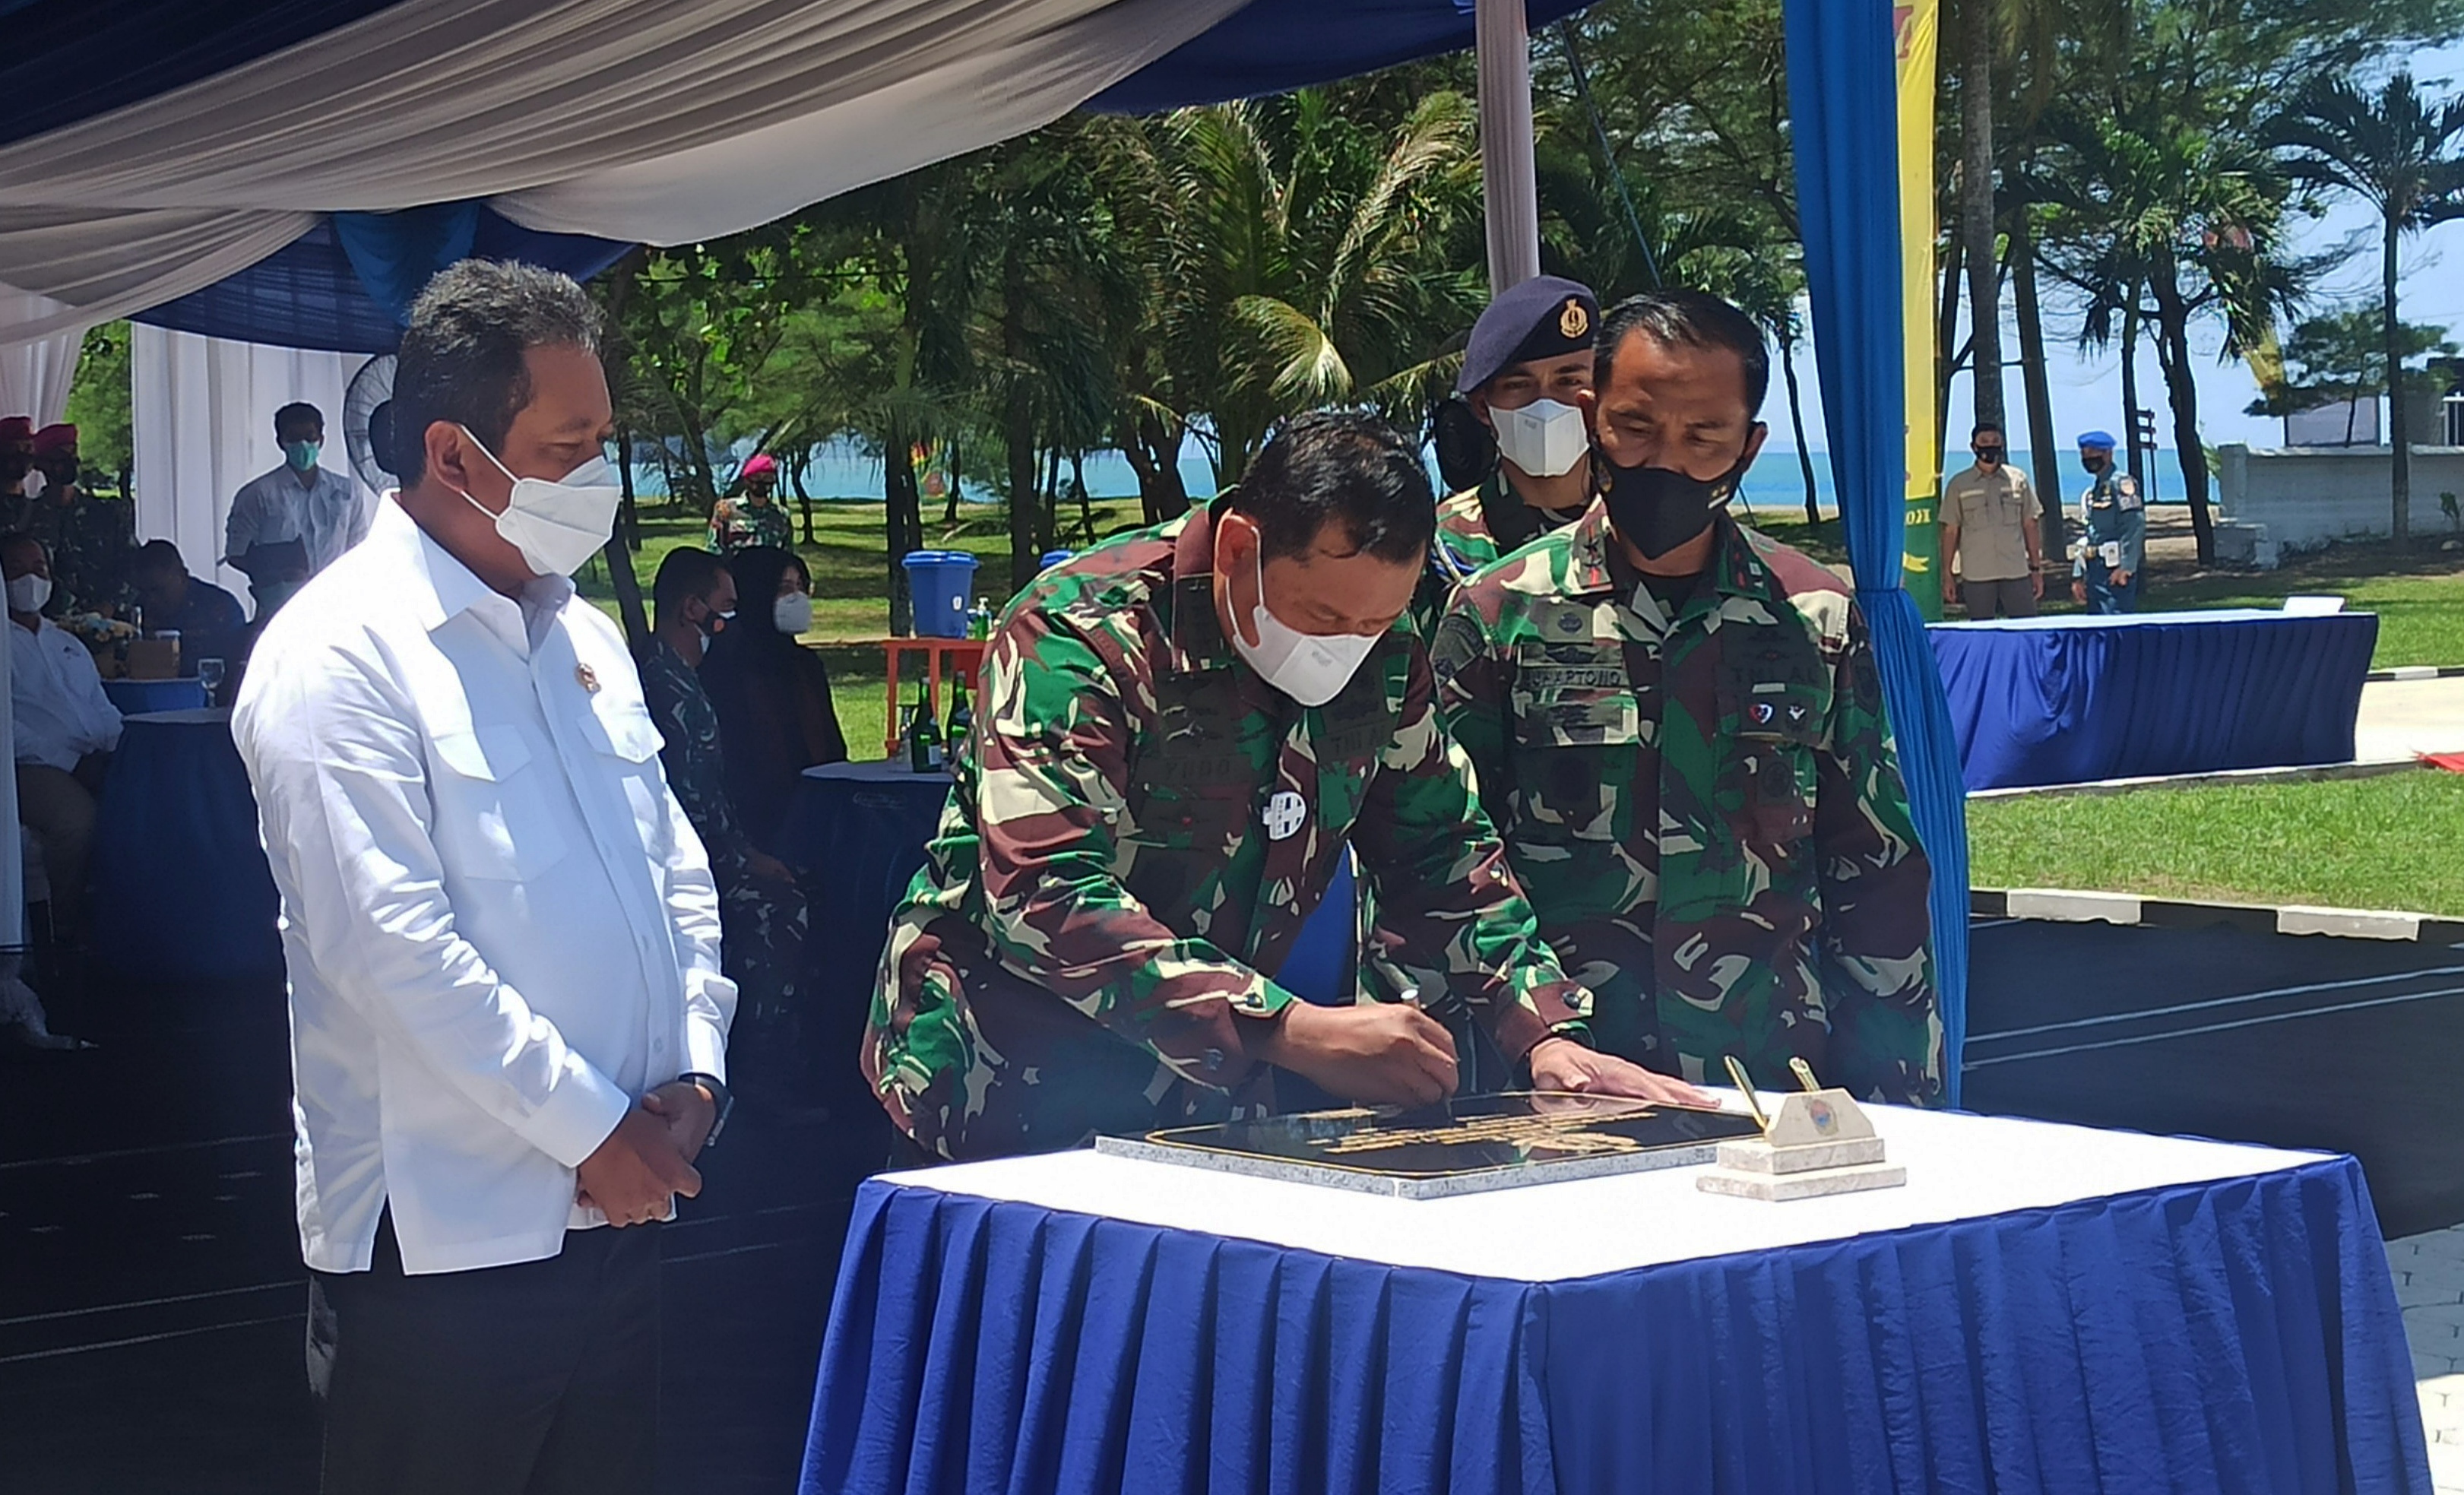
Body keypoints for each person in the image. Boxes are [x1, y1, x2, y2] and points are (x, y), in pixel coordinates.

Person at [863, 410, 1707, 1164]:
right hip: (1010, 1092)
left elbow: (1439, 848)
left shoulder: (1384, 652)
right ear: (1239, 549)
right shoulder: (1082, 630)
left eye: (1376, 622)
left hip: (1210, 1110)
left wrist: (1541, 1033)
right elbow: (1041, 889)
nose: (1346, 648)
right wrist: (1284, 1026)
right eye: (1324, 617)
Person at [230, 261, 732, 1495]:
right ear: (454, 456)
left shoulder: (582, 634)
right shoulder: (337, 655)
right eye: (572, 447)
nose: (601, 478)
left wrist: (692, 1066)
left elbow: (672, 864)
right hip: (447, 1251)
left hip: (619, 1212)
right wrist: (592, 1127)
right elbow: (392, 951)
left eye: (605, 439)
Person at [1430, 290, 1941, 1104]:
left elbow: (1871, 862)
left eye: (1703, 437)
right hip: (1560, 1080)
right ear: (1593, 414)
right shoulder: (1500, 612)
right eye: (1635, 428)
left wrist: (1895, 1093)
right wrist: (1521, 1036)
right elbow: (1444, 852)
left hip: (1769, 1079)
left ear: (1748, 446)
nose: (1665, 460)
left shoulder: (1812, 616)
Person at [639, 546, 814, 1101]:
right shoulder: (666, 688)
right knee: (782, 912)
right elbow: (691, 810)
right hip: (690, 865)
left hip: (715, 848)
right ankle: (764, 1079)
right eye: (726, 606)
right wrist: (751, 861)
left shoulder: (684, 679)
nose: (732, 619)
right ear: (693, 609)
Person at [1430, 276, 1602, 594]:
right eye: (1519, 385)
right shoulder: (1440, 546)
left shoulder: (1640, 525)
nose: (1546, 404)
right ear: (1483, 407)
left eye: (1569, 382)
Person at [5, 533, 120, 942]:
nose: (30, 580)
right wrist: (69, 762)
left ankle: (126, 916)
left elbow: (101, 705)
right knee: (76, 821)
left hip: (93, 753)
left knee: (144, 802)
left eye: (39, 569)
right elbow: (7, 728)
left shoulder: (66, 642)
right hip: (29, 765)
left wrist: (118, 748)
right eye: (17, 571)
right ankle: (63, 925)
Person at [698, 544, 846, 839]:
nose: (798, 598)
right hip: (754, 824)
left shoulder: (806, 665)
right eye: (785, 588)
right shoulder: (724, 666)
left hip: (820, 813)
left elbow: (832, 747)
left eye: (802, 588)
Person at [223, 401, 369, 620]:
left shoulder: (347, 492)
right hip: (279, 608)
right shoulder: (257, 495)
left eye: (310, 437)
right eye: (294, 437)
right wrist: (276, 577)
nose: (303, 444)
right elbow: (236, 554)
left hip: (337, 606)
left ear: (321, 439)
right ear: (280, 442)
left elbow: (358, 550)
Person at [27, 424, 135, 618]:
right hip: (50, 628)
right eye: (59, 456)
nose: (69, 462)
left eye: (73, 454)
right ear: (41, 464)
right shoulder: (27, 518)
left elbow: (133, 566)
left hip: (110, 627)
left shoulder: (109, 513)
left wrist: (109, 606)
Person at [1940, 421, 2042, 619]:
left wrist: (2036, 569)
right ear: (1973, 447)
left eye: (1995, 441)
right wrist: (1948, 574)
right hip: (1977, 574)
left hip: (2016, 571)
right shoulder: (1959, 485)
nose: (1990, 445)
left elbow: (2030, 524)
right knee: (1981, 632)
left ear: (2002, 444)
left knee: (2026, 630)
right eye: (1984, 441)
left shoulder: (2018, 480)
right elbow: (1951, 531)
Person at [125, 540, 248, 679]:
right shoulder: (138, 611)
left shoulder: (219, 607)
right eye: (144, 592)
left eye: (158, 591)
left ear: (182, 576)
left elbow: (238, 667)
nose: (151, 600)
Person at [2070, 430, 2145, 614]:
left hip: (2115, 568)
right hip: (2094, 568)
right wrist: (2078, 574)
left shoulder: (2122, 484)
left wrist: (2126, 567)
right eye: (2084, 454)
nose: (2088, 458)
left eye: (2094, 453)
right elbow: (2090, 534)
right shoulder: (2094, 491)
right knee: (2096, 628)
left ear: (2108, 454)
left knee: (2117, 628)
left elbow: (2134, 525)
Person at [708, 453, 793, 553]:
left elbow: (787, 554)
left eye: (767, 478)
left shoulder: (781, 515)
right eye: (757, 477)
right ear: (747, 480)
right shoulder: (726, 509)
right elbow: (713, 548)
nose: (762, 482)